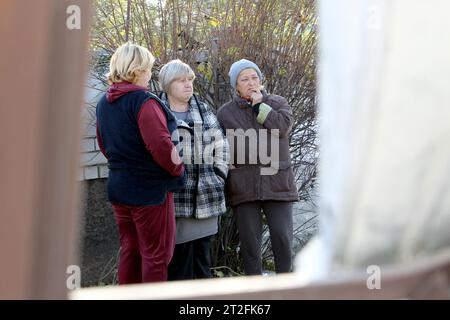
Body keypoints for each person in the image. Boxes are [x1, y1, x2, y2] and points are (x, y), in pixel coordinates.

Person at [96, 43, 185, 284]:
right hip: (148, 191)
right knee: (156, 256)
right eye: (147, 69)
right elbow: (162, 147)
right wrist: (178, 169)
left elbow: (105, 145)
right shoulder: (144, 101)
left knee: (131, 252)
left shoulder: (104, 103)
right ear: (136, 70)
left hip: (118, 187)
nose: (149, 74)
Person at [216, 59, 298, 275]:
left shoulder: (278, 102)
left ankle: (286, 288)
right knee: (250, 245)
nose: (251, 83)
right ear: (236, 86)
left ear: (261, 80)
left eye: (255, 77)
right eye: (244, 79)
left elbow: (281, 127)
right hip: (244, 185)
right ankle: (255, 293)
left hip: (277, 182)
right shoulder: (225, 113)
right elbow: (220, 147)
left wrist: (259, 106)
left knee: (282, 238)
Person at [157, 59, 229, 280]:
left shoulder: (202, 107)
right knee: (180, 267)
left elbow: (221, 145)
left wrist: (219, 175)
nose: (188, 84)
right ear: (168, 84)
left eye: (190, 80)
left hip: (207, 197)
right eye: (181, 80)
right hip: (175, 200)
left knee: (203, 264)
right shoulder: (156, 109)